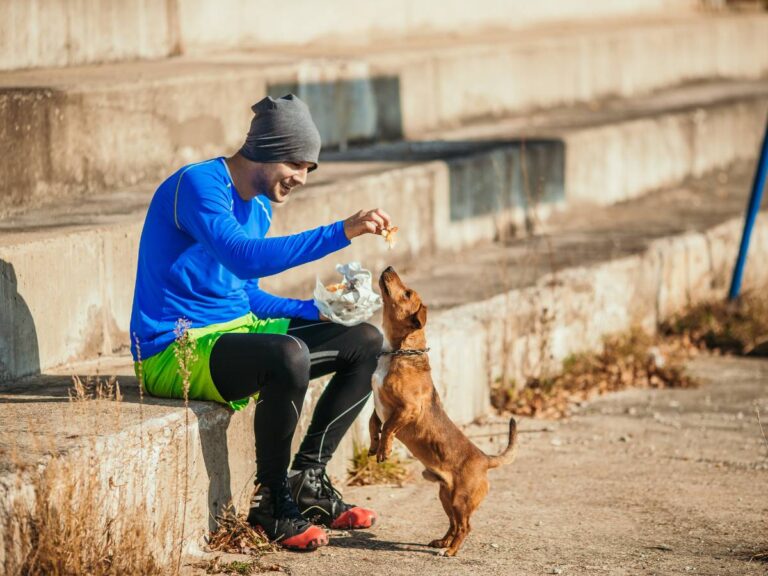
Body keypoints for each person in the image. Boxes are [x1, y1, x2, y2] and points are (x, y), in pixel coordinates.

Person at [129, 94, 389, 551]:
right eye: (297, 164)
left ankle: (309, 477)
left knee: (365, 340)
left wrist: (317, 311)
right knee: (287, 356)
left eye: (310, 168)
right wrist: (340, 231)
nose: (302, 179)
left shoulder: (260, 205)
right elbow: (243, 259)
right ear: (267, 150)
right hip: (175, 349)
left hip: (236, 334)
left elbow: (241, 292)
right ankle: (272, 501)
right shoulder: (198, 186)